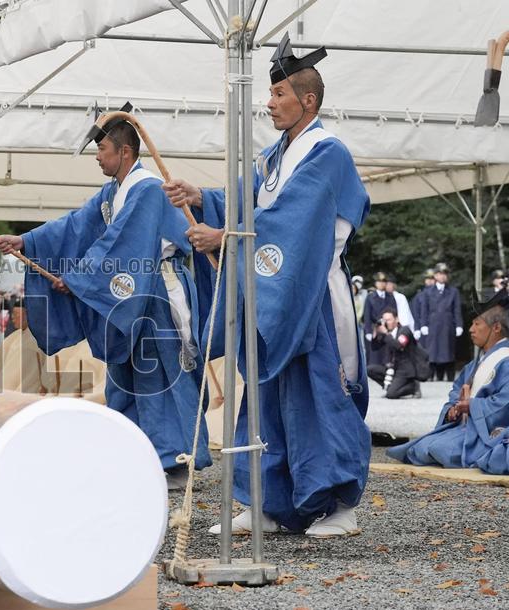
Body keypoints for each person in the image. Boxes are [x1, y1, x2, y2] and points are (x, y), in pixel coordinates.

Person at [164, 34, 371, 537]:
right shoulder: (275, 155)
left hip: (312, 294)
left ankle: (339, 506)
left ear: (308, 100)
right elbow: (249, 199)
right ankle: (269, 503)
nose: (270, 103)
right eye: (271, 93)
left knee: (318, 397)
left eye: (279, 94)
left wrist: (227, 238)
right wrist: (203, 198)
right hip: (273, 289)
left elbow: (295, 221)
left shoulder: (326, 152)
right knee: (265, 398)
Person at [0, 106, 212, 490]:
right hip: (129, 291)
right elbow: (76, 225)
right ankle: (135, 450)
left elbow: (119, 242)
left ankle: (175, 460)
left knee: (159, 372)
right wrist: (26, 241)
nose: (97, 156)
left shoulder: (147, 189)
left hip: (157, 292)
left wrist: (78, 279)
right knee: (124, 370)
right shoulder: (113, 192)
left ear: (124, 152)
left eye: (102, 149)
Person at [387, 290, 509, 473]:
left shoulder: (506, 360)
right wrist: (453, 409)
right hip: (466, 427)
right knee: (419, 448)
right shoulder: (477, 362)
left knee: (438, 449)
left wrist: (472, 406)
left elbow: (505, 402)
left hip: (487, 431)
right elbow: (457, 390)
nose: (471, 329)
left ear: (496, 328)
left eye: (477, 324)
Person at [367, 309, 423, 400]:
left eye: (389, 320)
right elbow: (374, 348)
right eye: (384, 320)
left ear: (396, 319)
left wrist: (386, 333)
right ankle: (391, 387)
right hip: (392, 368)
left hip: (404, 370)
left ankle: (413, 387)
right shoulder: (387, 333)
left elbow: (398, 346)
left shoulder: (404, 331)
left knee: (391, 395)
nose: (386, 322)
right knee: (370, 370)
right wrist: (375, 332)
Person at [420, 262, 463, 382]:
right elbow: (424, 309)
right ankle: (430, 375)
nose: (443, 276)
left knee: (448, 350)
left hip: (447, 324)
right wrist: (423, 324)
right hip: (433, 324)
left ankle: (449, 376)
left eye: (445, 274)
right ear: (435, 275)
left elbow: (457, 309)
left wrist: (459, 325)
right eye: (440, 273)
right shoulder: (428, 291)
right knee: (432, 350)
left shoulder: (453, 291)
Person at [363, 272, 397, 367]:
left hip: (387, 328)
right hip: (375, 329)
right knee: (374, 356)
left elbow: (394, 313)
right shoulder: (370, 297)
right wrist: (368, 331)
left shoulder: (390, 296)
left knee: (386, 354)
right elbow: (367, 315)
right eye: (379, 282)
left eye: (384, 282)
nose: (382, 284)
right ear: (376, 283)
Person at [410, 268, 435, 342]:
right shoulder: (419, 296)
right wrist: (417, 328)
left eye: (432, 278)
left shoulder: (441, 294)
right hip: (423, 328)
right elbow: (415, 314)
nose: (429, 280)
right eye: (427, 278)